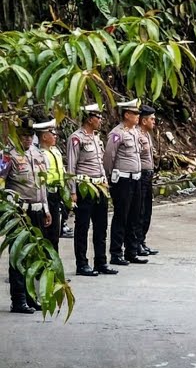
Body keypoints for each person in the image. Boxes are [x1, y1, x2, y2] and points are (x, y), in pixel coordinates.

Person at [3, 123, 52, 313]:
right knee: (18, 255)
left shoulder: (38, 154)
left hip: (37, 209)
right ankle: (19, 299)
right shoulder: (8, 155)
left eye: (30, 136)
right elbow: (1, 182)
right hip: (19, 212)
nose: (27, 139)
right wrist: (9, 209)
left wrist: (46, 208)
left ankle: (32, 297)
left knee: (34, 254)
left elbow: (42, 184)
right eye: (24, 136)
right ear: (17, 135)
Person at [67, 104, 114, 276]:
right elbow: (71, 166)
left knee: (101, 226)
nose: (101, 120)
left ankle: (101, 261)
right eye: (98, 117)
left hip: (99, 186)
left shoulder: (96, 137)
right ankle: (82, 263)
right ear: (89, 118)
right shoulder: (76, 138)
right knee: (82, 227)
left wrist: (105, 181)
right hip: (84, 187)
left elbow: (100, 163)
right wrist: (73, 191)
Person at [103, 99, 146, 266]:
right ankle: (116, 253)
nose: (138, 116)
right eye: (135, 114)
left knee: (135, 216)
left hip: (135, 178)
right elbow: (109, 157)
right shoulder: (117, 133)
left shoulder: (135, 132)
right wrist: (109, 176)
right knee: (121, 215)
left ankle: (131, 251)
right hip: (122, 179)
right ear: (127, 115)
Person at [35, 120, 68, 249]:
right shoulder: (40, 155)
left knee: (55, 233)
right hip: (46, 194)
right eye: (52, 134)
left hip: (57, 194)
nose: (55, 136)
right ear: (44, 137)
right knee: (47, 232)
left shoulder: (55, 151)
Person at [135, 105, 158, 256]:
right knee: (140, 210)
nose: (154, 122)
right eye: (152, 119)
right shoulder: (136, 135)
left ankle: (142, 240)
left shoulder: (147, 134)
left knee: (147, 210)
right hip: (140, 175)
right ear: (144, 120)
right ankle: (136, 243)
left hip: (148, 175)